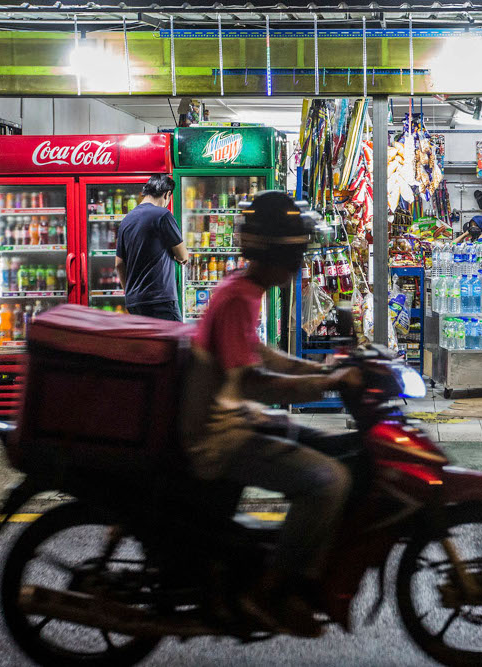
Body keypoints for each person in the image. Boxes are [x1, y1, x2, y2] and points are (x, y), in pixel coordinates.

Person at [181, 191, 361, 637]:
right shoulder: (239, 297)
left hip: (233, 420)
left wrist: (319, 367)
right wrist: (325, 382)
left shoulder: (241, 288)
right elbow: (254, 381)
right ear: (277, 254)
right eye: (296, 254)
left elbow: (259, 354)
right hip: (220, 437)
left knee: (325, 447)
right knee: (329, 480)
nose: (298, 265)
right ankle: (270, 589)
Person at [115, 174, 188, 320]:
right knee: (176, 342)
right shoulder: (163, 215)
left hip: (135, 302)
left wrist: (129, 293)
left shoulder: (126, 220)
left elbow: (119, 264)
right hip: (160, 300)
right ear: (167, 194)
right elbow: (183, 256)